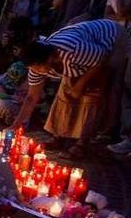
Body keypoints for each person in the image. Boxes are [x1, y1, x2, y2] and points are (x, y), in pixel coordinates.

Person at [13, 19, 127, 158]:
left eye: (37, 67)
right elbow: (31, 97)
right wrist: (15, 125)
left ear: (49, 60)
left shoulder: (72, 49)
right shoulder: (36, 66)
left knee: (93, 92)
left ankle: (83, 143)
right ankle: (60, 135)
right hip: (86, 55)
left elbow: (100, 59)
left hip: (111, 40)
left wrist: (80, 85)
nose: (35, 71)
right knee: (66, 92)